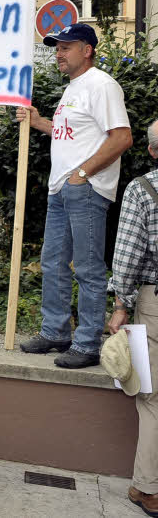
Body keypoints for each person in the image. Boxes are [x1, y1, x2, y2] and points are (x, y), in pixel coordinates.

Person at [17, 23, 133, 368]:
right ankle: (55, 332)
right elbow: (72, 133)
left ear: (87, 50)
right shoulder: (74, 89)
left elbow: (122, 137)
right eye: (56, 48)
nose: (59, 53)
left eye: (66, 47)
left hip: (85, 190)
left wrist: (82, 175)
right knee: (53, 264)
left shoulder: (101, 85)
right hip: (62, 189)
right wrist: (39, 123)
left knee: (88, 268)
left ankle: (87, 344)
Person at [106, 120, 158, 516]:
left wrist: (121, 305)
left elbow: (127, 256)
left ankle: (148, 489)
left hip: (152, 302)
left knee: (153, 398)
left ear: (153, 151)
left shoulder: (143, 190)